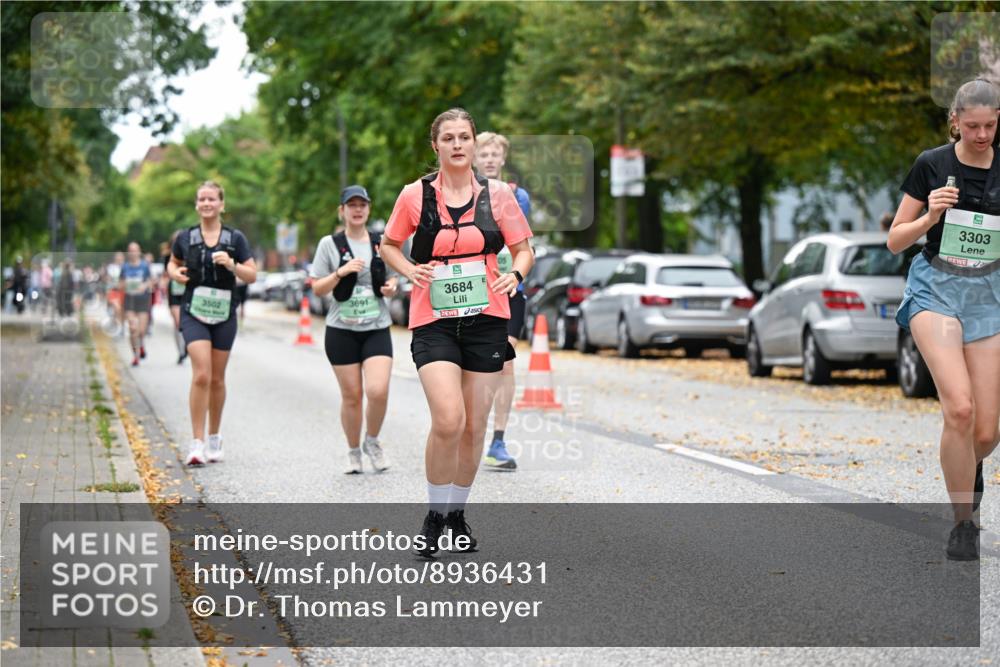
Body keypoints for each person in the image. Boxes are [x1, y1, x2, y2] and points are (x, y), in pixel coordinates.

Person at [380, 108, 534, 556]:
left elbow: (523, 250)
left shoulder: (499, 195)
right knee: (449, 419)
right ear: (436, 146)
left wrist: (516, 276)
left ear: (472, 142)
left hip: (487, 316)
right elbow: (389, 244)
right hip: (434, 318)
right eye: (448, 138)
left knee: (474, 426)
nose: (458, 145)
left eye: (464, 136)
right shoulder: (415, 196)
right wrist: (410, 268)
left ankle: (457, 513)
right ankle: (433, 515)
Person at [888, 78, 1000, 561]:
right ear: (954, 120)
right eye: (972, 125)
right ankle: (964, 522)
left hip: (989, 294)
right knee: (958, 408)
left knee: (985, 432)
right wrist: (929, 218)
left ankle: (964, 468)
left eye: (990, 126)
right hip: (936, 289)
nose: (981, 135)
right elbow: (895, 239)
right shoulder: (931, 164)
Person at [311, 184, 398, 474]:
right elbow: (317, 288)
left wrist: (391, 288)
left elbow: (393, 278)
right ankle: (353, 452)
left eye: (362, 205)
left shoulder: (381, 242)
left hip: (376, 326)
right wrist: (340, 272)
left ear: (369, 209)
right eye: (352, 205)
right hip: (341, 329)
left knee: (378, 390)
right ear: (342, 211)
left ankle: (372, 441)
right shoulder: (330, 245)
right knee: (352, 396)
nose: (358, 210)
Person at [167, 181, 256, 466]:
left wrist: (232, 265)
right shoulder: (186, 236)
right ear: (196, 204)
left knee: (217, 378)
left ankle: (215, 436)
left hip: (224, 313)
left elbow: (252, 274)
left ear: (221, 204)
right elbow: (171, 263)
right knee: (202, 373)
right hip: (194, 310)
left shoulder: (235, 239)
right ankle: (196, 442)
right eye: (202, 199)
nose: (206, 203)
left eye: (212, 199)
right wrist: (175, 274)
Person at [474, 131, 533, 471]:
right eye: (485, 153)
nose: (491, 159)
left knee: (505, 362)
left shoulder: (518, 196)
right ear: (475, 156)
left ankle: (498, 439)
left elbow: (518, 238)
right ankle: (469, 430)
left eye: (497, 153)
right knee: (474, 366)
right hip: (474, 291)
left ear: (504, 159)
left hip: (510, 290)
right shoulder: (462, 191)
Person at [120, 242, 153, 367]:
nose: (133, 253)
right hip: (130, 300)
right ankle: (135, 356)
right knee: (133, 329)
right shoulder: (125, 267)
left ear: (139, 252)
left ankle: (141, 344)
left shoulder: (145, 266)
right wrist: (127, 285)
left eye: (135, 250)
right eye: (130, 250)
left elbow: (150, 282)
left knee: (142, 331)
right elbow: (120, 284)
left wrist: (143, 286)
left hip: (142, 300)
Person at [162, 232, 188, 364]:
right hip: (174, 292)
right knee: (178, 323)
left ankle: (188, 346)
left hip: (188, 291)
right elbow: (165, 274)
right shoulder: (168, 257)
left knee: (187, 323)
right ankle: (181, 351)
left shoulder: (191, 253)